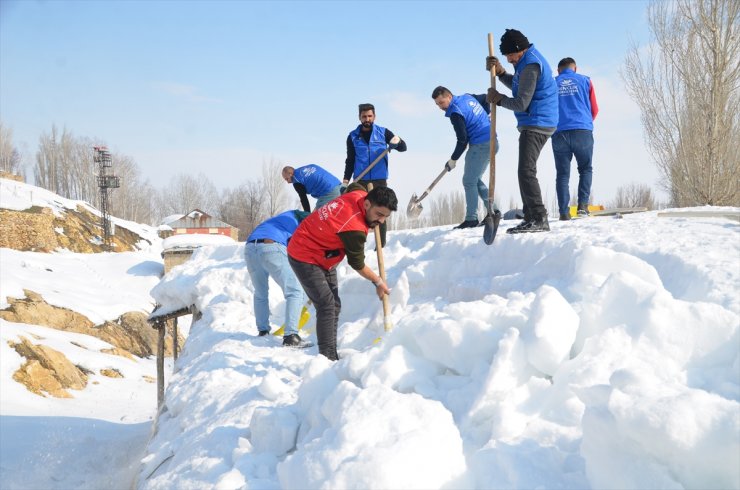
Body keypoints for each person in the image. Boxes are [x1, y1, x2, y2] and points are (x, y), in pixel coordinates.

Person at [287, 183, 398, 361]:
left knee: (334, 305)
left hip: (326, 254)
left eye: (386, 217)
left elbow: (354, 186)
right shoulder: (354, 228)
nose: (381, 222)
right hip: (304, 254)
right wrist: (378, 281)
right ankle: (327, 358)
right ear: (367, 204)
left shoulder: (359, 194)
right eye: (379, 215)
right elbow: (357, 264)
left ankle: (331, 351)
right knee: (326, 305)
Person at [486, 28, 558, 233]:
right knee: (525, 170)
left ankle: (538, 217)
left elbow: (521, 103)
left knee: (526, 171)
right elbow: (519, 86)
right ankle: (530, 216)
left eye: (510, 55)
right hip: (536, 121)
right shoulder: (525, 63)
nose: (508, 59)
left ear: (520, 49)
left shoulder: (531, 66)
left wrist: (499, 100)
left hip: (538, 122)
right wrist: (501, 74)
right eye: (505, 56)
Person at [431, 86, 499, 229]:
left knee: (468, 181)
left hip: (481, 144)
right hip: (492, 141)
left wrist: (453, 159)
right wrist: (485, 114)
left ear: (449, 96)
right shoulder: (467, 97)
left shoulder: (456, 113)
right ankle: (495, 210)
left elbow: (462, 140)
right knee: (474, 179)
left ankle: (471, 219)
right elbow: (486, 98)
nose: (440, 107)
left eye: (441, 102)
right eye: (437, 104)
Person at [244, 209, 310, 347]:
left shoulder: (280, 219)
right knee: (295, 291)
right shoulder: (300, 221)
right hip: (271, 246)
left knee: (260, 293)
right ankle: (291, 336)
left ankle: (263, 331)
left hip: (250, 248)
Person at [344, 103, 406, 247]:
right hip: (361, 180)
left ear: (374, 117)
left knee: (381, 210)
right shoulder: (352, 137)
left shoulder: (383, 133)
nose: (367, 119)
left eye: (370, 116)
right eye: (364, 116)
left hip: (379, 179)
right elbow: (350, 160)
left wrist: (397, 141)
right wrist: (345, 181)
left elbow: (403, 148)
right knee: (360, 211)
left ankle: (381, 244)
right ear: (359, 117)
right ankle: (360, 243)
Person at [552, 57, 599, 220]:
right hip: (582, 130)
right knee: (585, 169)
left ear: (558, 70)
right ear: (575, 69)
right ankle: (582, 207)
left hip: (559, 132)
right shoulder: (586, 81)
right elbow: (595, 109)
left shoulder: (552, 83)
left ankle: (564, 212)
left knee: (562, 174)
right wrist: (584, 122)